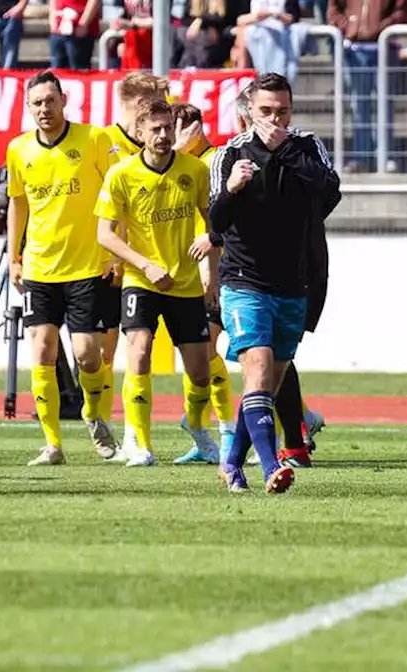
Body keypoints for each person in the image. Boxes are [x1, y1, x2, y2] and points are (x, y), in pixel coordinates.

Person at [204, 73, 340, 494]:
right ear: (249, 112)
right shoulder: (229, 154)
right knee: (258, 369)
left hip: (293, 282)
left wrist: (286, 154)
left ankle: (231, 463)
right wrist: (231, 189)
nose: (275, 119)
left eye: (282, 111)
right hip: (243, 280)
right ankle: (270, 468)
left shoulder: (306, 146)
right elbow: (216, 222)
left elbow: (330, 193)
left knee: (267, 383)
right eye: (266, 111)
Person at [95, 96, 217, 468]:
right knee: (140, 350)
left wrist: (210, 252)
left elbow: (212, 220)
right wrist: (144, 265)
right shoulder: (122, 174)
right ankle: (139, 442)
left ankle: (195, 426)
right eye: (156, 129)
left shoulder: (195, 170)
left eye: (168, 128)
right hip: (142, 279)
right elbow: (105, 233)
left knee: (199, 369)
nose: (164, 135)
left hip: (185, 282)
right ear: (141, 132)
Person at [5, 70, 120, 466]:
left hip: (87, 266)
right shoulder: (18, 149)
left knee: (89, 357)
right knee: (42, 351)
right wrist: (13, 257)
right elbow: (17, 203)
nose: (44, 109)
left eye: (50, 101)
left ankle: (92, 413)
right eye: (36, 103)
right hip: (39, 267)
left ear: (64, 100)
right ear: (28, 107)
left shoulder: (93, 139)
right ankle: (52, 443)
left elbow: (116, 193)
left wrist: (116, 251)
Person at [102, 71, 168, 459]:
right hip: (108, 263)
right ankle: (99, 418)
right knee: (99, 354)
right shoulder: (104, 143)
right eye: (159, 98)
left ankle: (131, 433)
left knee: (135, 349)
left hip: (157, 266)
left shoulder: (170, 143)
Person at [170, 101, 237, 466]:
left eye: (176, 128)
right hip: (195, 273)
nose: (168, 137)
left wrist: (213, 261)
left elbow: (221, 217)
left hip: (220, 270)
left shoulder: (211, 162)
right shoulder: (185, 164)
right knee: (198, 353)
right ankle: (201, 428)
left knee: (209, 349)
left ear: (193, 129)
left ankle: (222, 430)